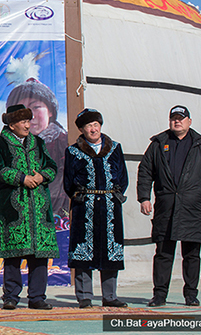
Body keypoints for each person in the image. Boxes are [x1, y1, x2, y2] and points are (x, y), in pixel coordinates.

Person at [137, 105, 201, 307]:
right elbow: (145, 172)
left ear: (189, 122)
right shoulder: (158, 144)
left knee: (192, 254)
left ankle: (191, 295)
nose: (177, 121)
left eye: (181, 118)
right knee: (163, 254)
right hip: (166, 208)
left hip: (191, 209)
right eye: (174, 118)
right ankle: (159, 295)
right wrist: (144, 198)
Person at [0, 104, 59, 310]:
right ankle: (11, 296)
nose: (28, 125)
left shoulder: (38, 142)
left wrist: (41, 176)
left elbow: (51, 166)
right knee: (13, 255)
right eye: (23, 121)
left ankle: (37, 297)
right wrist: (22, 178)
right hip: (14, 207)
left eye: (28, 121)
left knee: (39, 256)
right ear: (11, 125)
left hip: (39, 207)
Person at [63, 109, 128, 308]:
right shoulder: (73, 151)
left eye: (95, 124)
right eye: (88, 126)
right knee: (83, 251)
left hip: (110, 206)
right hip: (85, 207)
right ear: (82, 129)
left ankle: (110, 296)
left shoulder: (115, 148)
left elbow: (123, 177)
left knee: (111, 250)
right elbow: (68, 182)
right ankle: (84, 296)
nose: (93, 129)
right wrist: (80, 196)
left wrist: (113, 194)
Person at [7, 77, 69, 220]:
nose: (30, 116)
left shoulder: (65, 143)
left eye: (36, 107)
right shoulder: (11, 147)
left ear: (50, 111)